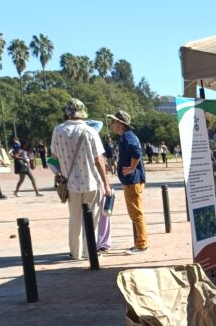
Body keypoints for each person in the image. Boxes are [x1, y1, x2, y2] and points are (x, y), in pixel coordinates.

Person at [51, 99, 110, 259]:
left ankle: (75, 252)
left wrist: (61, 170)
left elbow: (54, 156)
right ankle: (90, 252)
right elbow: (99, 160)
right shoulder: (90, 131)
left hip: (70, 182)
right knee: (92, 219)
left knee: (74, 218)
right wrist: (106, 184)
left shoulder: (58, 130)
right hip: (91, 181)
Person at [107, 109, 148, 254]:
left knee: (136, 213)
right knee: (135, 213)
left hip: (132, 181)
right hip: (131, 181)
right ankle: (140, 243)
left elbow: (137, 152)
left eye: (113, 121)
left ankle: (142, 245)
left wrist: (131, 168)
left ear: (120, 123)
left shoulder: (127, 137)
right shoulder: (128, 136)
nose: (111, 124)